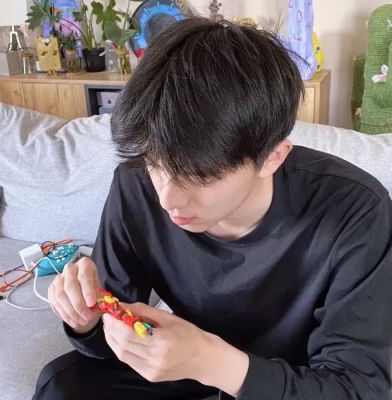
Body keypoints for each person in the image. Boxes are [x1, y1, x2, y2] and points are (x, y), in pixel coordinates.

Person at [33, 17, 392, 400]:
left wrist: (212, 362)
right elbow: (114, 328)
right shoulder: (136, 186)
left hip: (293, 379)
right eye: (155, 163)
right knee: (62, 385)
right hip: (189, 362)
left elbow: (359, 387)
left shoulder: (356, 211)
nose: (167, 199)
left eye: (199, 176)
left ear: (272, 158)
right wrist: (87, 319)